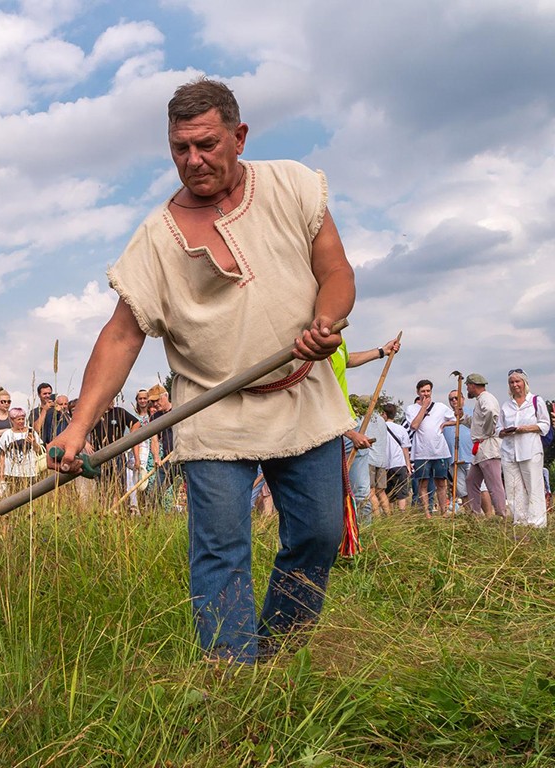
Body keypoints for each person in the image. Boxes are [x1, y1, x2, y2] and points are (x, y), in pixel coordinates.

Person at [48, 78, 355, 663]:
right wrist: (79, 425)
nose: (194, 160)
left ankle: (277, 656)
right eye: (180, 149)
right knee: (221, 549)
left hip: (302, 392)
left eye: (207, 144)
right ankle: (231, 679)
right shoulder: (156, 240)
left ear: (238, 137)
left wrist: (326, 320)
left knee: (318, 533)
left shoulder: (291, 184)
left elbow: (336, 271)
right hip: (212, 408)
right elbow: (121, 334)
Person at [329, 337, 401, 521]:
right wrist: (350, 433)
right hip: (329, 431)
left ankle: (365, 540)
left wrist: (381, 352)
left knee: (361, 491)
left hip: (349, 425)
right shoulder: (315, 349)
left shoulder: (339, 341)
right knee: (330, 492)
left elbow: (348, 359)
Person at [498, 369, 550, 527]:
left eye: (517, 381)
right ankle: (520, 521)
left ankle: (537, 523)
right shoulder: (506, 405)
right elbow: (497, 428)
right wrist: (504, 432)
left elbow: (545, 425)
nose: (515, 385)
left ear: (524, 383)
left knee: (534, 486)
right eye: (511, 382)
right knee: (513, 488)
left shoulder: (535, 401)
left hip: (530, 450)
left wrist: (525, 428)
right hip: (509, 451)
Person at [404, 380, 455, 515]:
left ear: (431, 391)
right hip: (421, 453)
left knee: (441, 483)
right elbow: (414, 426)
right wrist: (423, 408)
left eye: (428, 391)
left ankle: (444, 513)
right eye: (423, 391)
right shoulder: (411, 409)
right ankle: (427, 513)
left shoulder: (440, 407)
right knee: (423, 484)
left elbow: (457, 419)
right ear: (418, 392)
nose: (426, 394)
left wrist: (445, 424)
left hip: (439, 451)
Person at [464, 373, 507, 517]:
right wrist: (463, 418)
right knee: (471, 481)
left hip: (488, 447)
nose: (467, 390)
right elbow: (477, 423)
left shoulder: (486, 399)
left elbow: (491, 413)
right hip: (480, 450)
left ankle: (502, 516)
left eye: (467, 386)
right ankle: (475, 515)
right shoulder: (480, 400)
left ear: (472, 385)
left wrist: (488, 431)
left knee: (494, 484)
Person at [87, 399, 138, 498]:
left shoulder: (119, 412)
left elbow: (136, 423)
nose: (112, 402)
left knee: (120, 484)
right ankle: (105, 509)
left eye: (113, 399)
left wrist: (130, 438)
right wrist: (86, 444)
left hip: (117, 454)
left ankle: (120, 508)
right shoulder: (94, 414)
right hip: (99, 456)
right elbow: (82, 429)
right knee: (102, 485)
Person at [0, 408, 42, 492]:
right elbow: (2, 455)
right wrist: (2, 473)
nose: (21, 421)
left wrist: (34, 442)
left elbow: (38, 450)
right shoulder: (7, 434)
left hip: (29, 472)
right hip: (12, 472)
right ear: (12, 420)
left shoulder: (31, 431)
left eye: (22, 419)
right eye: (18, 419)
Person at [443, 390, 474, 510]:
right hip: (454, 460)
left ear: (463, 398)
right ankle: (471, 515)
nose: (454, 401)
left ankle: (487, 515)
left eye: (456, 398)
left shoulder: (471, 412)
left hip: (471, 457)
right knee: (462, 491)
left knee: (479, 488)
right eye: (451, 399)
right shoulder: (447, 416)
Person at [381, 404, 413, 511]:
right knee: (401, 493)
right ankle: (402, 513)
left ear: (385, 414)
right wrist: (408, 465)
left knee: (388, 493)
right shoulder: (401, 429)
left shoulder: (380, 429)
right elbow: (405, 449)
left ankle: (389, 515)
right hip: (399, 463)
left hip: (385, 465)